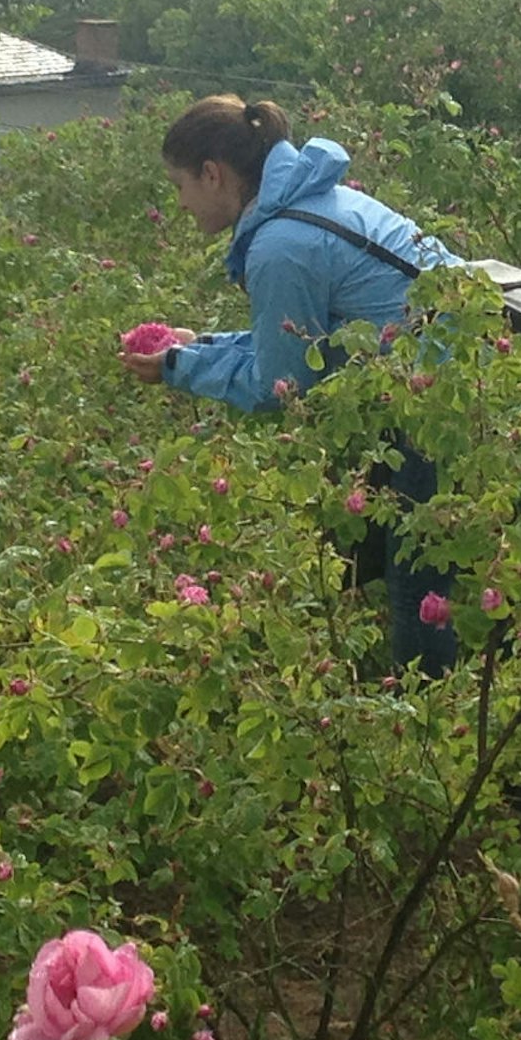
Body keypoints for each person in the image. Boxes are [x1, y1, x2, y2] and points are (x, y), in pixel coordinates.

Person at [120, 94, 461, 676]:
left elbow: (283, 387)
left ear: (213, 174)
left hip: (437, 410)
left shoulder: (280, 246)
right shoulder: (317, 201)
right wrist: (198, 344)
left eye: (180, 186)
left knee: (421, 600)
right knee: (417, 567)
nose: (178, 203)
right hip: (464, 387)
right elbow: (306, 343)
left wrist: (178, 369)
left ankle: (436, 737)